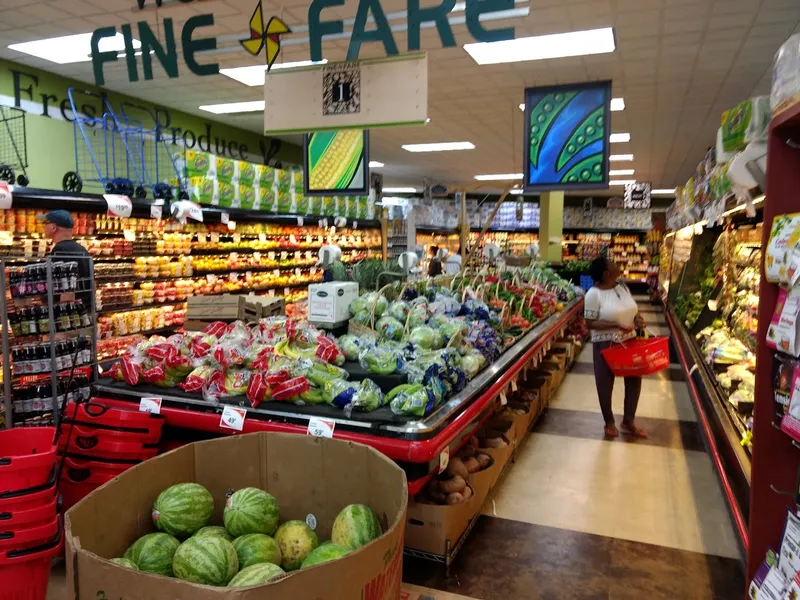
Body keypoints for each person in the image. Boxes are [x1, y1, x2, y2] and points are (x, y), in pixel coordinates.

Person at [583, 256, 647, 439]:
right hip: (606, 342)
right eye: (612, 263)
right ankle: (609, 422)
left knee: (634, 379)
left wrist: (637, 319)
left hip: (629, 340)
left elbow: (632, 309)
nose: (616, 264)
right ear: (606, 273)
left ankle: (629, 420)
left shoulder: (622, 287)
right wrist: (615, 325)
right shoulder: (593, 294)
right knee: (605, 382)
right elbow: (590, 323)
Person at [37, 210, 93, 303]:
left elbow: (66, 290)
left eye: (45, 223)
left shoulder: (60, 250)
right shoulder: (82, 249)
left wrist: (64, 313)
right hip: (83, 308)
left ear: (53, 227)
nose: (43, 227)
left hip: (69, 311)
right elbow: (92, 284)